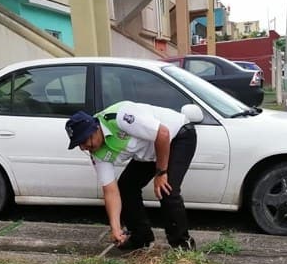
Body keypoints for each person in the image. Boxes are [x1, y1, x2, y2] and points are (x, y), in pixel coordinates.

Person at [65, 101, 197, 250]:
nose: (83, 147)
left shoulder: (120, 117)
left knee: (167, 189)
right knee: (126, 187)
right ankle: (141, 238)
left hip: (177, 136)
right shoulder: (96, 153)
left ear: (95, 128)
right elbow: (110, 190)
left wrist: (161, 173)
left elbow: (163, 133)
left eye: (84, 140)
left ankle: (183, 246)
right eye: (79, 144)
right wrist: (115, 227)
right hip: (150, 151)